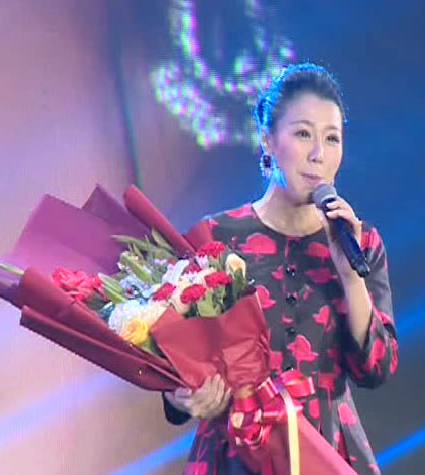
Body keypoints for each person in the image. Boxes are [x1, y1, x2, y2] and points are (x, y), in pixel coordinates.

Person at [163, 62, 398, 474]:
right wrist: (179, 395)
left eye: (332, 138)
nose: (318, 154)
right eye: (303, 133)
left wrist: (350, 276)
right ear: (267, 138)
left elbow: (375, 368)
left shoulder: (360, 242)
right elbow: (175, 359)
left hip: (327, 449)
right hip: (235, 450)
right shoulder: (215, 238)